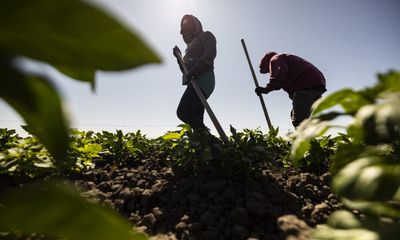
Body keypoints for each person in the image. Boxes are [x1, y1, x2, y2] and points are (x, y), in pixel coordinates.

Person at [255, 51, 326, 127]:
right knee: (297, 115)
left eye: (268, 70)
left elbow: (279, 75)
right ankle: (308, 136)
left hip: (304, 88)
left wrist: (266, 89)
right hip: (316, 89)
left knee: (299, 121)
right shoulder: (287, 58)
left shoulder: (275, 59)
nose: (269, 72)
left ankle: (305, 138)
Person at [173, 14, 217, 130]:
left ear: (196, 27)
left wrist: (195, 71)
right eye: (186, 32)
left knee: (183, 112)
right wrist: (179, 58)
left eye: (191, 29)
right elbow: (185, 71)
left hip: (204, 79)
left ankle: (209, 139)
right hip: (194, 81)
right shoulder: (188, 50)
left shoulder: (206, 36)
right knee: (196, 117)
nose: (188, 33)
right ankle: (206, 145)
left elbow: (209, 55)